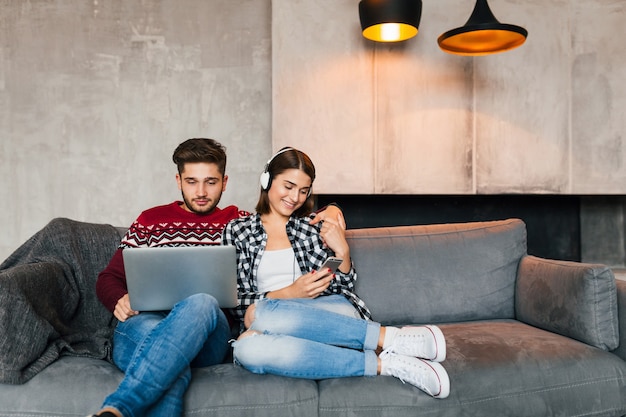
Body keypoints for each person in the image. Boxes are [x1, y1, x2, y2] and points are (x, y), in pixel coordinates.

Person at [89, 139, 343, 417]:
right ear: (178, 180)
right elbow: (109, 277)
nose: (200, 191)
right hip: (144, 324)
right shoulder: (150, 220)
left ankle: (118, 408)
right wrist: (119, 298)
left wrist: (330, 208)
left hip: (210, 333)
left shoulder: (240, 223)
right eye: (191, 181)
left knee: (201, 302)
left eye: (210, 182)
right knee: (172, 360)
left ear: (224, 182)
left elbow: (288, 214)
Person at [222, 147, 450, 399]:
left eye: (303, 190)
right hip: (266, 323)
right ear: (267, 180)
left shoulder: (310, 226)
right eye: (288, 186)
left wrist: (343, 250)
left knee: (258, 315)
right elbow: (235, 299)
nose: (294, 197)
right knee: (246, 349)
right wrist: (289, 293)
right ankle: (388, 364)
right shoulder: (238, 230)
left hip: (328, 315)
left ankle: (390, 338)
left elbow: (343, 287)